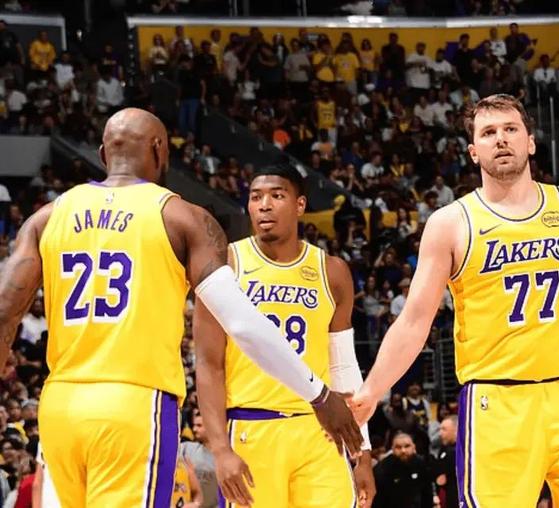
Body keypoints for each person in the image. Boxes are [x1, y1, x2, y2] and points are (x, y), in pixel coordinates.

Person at [0, 108, 362, 507]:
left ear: (103, 154)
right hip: (134, 403)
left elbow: (3, 313)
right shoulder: (181, 216)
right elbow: (241, 323)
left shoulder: (46, 218)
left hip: (60, 404)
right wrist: (319, 394)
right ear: (160, 150)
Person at [351, 94, 559, 506]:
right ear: (472, 151)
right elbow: (413, 321)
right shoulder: (450, 223)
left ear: (530, 142)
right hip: (496, 405)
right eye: (489, 132)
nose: (501, 139)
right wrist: (372, 390)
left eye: (511, 129)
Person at [193, 163, 376, 508]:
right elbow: (209, 363)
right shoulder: (225, 265)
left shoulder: (332, 271)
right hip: (252, 428)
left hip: (320, 430)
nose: (264, 205)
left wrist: (362, 451)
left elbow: (343, 365)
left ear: (300, 204)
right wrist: (219, 449)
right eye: (256, 197)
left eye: (277, 196)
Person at [373, 432, 433, 508]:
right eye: (398, 447)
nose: (403, 450)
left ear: (413, 447)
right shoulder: (383, 467)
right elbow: (378, 498)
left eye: (407, 446)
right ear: (392, 449)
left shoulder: (421, 464)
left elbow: (427, 494)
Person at [181, 413, 218, 508]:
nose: (194, 429)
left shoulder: (224, 457)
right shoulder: (185, 448)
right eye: (194, 425)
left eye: (199, 425)